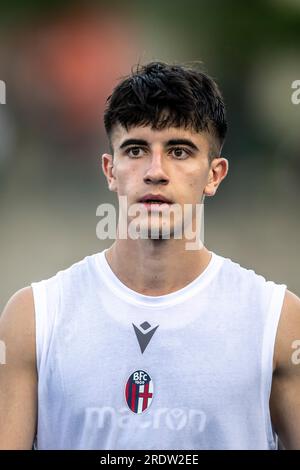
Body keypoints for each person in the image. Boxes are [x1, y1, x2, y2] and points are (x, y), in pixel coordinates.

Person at [0, 61, 299, 450]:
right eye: (136, 149)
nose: (155, 171)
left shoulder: (278, 322)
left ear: (214, 175)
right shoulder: (34, 319)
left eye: (179, 151)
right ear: (110, 170)